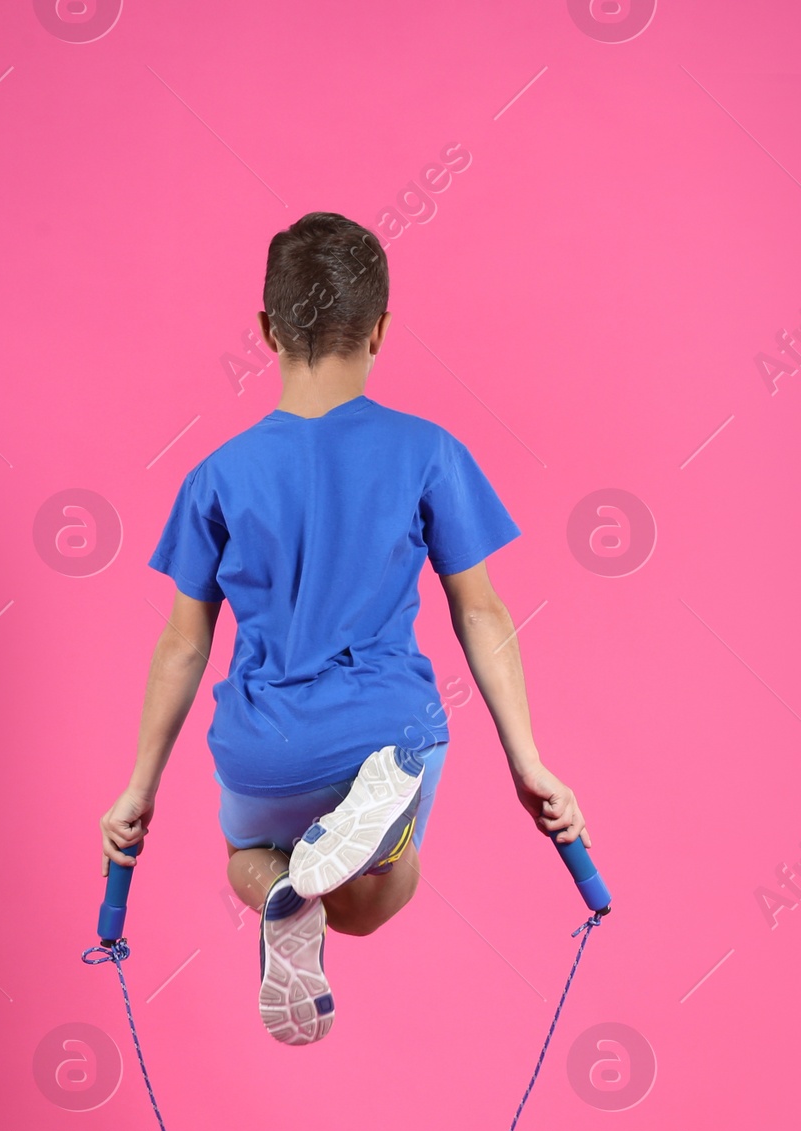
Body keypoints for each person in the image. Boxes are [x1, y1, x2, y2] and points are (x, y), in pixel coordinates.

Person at [100, 212, 589, 1046]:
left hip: (262, 742)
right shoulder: (427, 451)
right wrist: (528, 759)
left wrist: (139, 786)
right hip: (384, 728)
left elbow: (184, 643)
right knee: (370, 905)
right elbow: (481, 610)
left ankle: (286, 892)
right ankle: (379, 833)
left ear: (266, 330)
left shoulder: (215, 476)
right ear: (382, 330)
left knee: (248, 862)